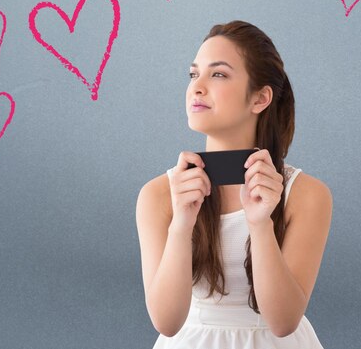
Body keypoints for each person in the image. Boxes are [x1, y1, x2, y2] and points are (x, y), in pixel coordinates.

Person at [135, 20, 332, 348]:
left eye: (219, 74)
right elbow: (167, 322)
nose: (197, 87)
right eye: (193, 74)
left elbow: (283, 322)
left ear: (260, 98)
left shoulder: (307, 195)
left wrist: (260, 223)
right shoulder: (157, 195)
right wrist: (182, 225)